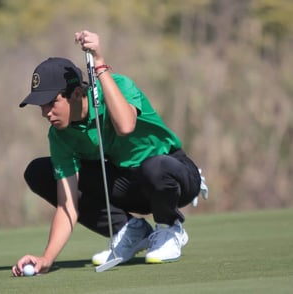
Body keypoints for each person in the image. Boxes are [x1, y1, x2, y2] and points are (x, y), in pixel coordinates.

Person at [12, 30, 204, 277]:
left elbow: (125, 126)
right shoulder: (60, 135)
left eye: (51, 103)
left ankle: (169, 228)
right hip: (128, 184)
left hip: (174, 175)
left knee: (154, 168)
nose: (45, 113)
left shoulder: (118, 86)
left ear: (77, 95)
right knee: (39, 172)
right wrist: (47, 258)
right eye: (41, 106)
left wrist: (99, 62)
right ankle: (130, 230)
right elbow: (68, 204)